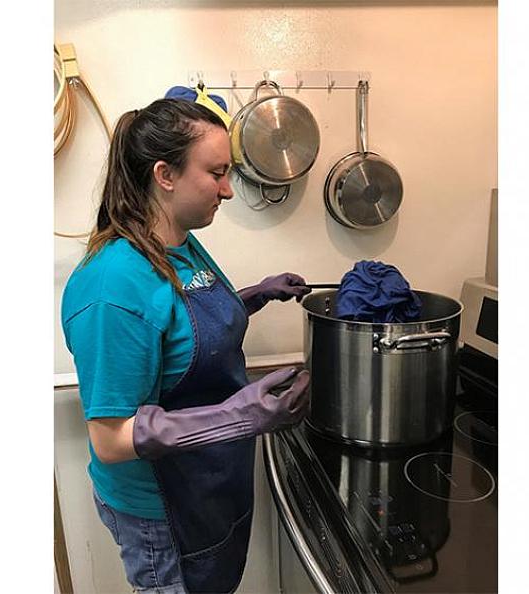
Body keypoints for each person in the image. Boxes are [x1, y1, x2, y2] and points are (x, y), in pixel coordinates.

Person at [60, 98, 312, 594]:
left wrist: (255, 295)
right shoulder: (113, 286)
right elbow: (110, 439)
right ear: (165, 175)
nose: (227, 190)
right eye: (216, 173)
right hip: (163, 511)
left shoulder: (179, 239)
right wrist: (241, 417)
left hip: (210, 480)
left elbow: (182, 323)